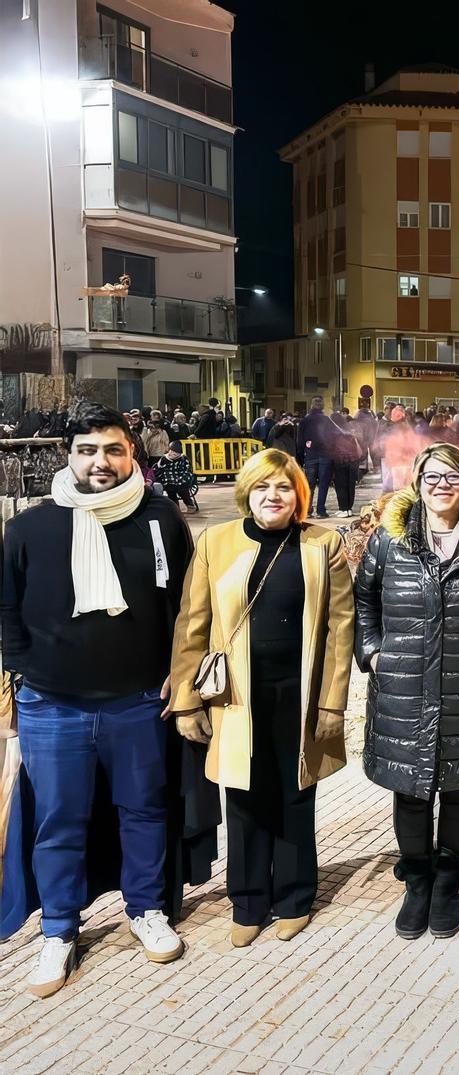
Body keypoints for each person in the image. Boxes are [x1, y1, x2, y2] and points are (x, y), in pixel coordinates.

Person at [1, 404, 196, 996]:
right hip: (52, 705)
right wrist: (26, 671)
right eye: (87, 451)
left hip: (138, 701)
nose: (100, 462)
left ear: (132, 453)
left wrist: (177, 670)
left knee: (144, 810)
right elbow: (7, 608)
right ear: (69, 455)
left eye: (113, 449)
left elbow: (185, 604)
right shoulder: (31, 527)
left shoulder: (159, 518)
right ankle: (59, 929)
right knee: (59, 820)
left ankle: (146, 909)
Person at [170, 449, 354, 947]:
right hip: (236, 697)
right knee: (244, 797)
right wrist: (186, 701)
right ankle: (248, 902)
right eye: (262, 487)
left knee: (296, 794)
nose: (273, 496)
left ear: (299, 494)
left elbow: (340, 629)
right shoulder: (215, 542)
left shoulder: (323, 544)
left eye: (283, 487)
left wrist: (332, 702)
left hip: (299, 694)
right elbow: (192, 625)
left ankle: (294, 898)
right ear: (246, 493)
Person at [354, 444, 459, 940]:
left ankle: (448, 879)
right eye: (432, 476)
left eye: (452, 476)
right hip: (403, 684)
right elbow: (364, 598)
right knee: (410, 788)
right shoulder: (390, 538)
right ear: (417, 481)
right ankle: (417, 879)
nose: (441, 485)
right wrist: (373, 652)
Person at [297, 396, 338, 518]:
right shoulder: (327, 420)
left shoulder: (305, 420)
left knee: (309, 485)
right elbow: (334, 438)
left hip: (310, 456)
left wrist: (300, 458)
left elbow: (300, 441)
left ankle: (307, 510)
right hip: (326, 456)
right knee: (323, 485)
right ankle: (321, 510)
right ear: (322, 406)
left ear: (311, 405)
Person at [329, 410, 362, 518]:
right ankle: (348, 509)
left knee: (341, 485)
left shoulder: (334, 433)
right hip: (353, 461)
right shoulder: (349, 430)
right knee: (350, 486)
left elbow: (331, 448)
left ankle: (343, 508)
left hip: (340, 461)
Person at [154, 440, 200, 513]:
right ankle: (175, 508)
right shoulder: (163, 459)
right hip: (168, 481)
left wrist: (182, 479)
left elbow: (188, 470)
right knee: (171, 494)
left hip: (181, 480)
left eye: (175, 454)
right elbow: (157, 469)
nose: (172, 454)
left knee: (184, 492)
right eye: (171, 452)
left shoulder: (183, 459)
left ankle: (190, 505)